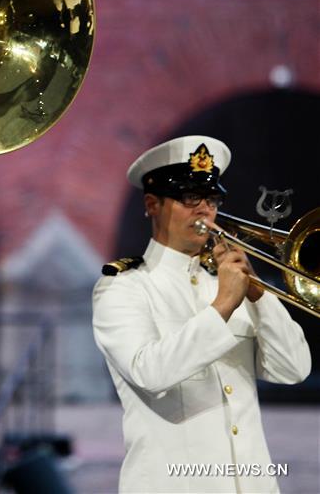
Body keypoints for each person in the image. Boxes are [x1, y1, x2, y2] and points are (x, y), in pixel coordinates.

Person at [92, 135, 311, 493]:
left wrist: (259, 298)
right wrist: (223, 304)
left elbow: (294, 369)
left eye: (211, 199)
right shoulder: (123, 287)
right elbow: (150, 372)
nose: (204, 211)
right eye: (189, 198)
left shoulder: (226, 283)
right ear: (152, 204)